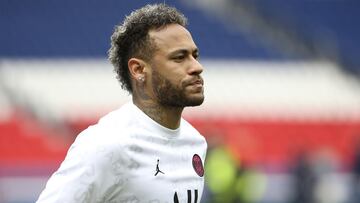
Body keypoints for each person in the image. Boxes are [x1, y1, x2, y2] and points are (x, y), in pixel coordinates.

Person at [36, 3, 207, 203]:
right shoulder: (107, 144)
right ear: (138, 70)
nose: (197, 67)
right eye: (179, 58)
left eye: (194, 56)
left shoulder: (196, 143)